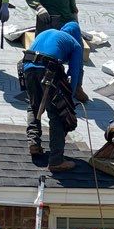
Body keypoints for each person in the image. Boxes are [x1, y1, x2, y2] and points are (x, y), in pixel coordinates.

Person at [21, 19, 85, 173]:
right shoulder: (74, 43)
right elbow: (74, 72)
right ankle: (56, 161)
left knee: (34, 106)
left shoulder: (46, 33)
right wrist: (70, 96)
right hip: (48, 69)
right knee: (56, 112)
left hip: (27, 67)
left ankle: (34, 143)